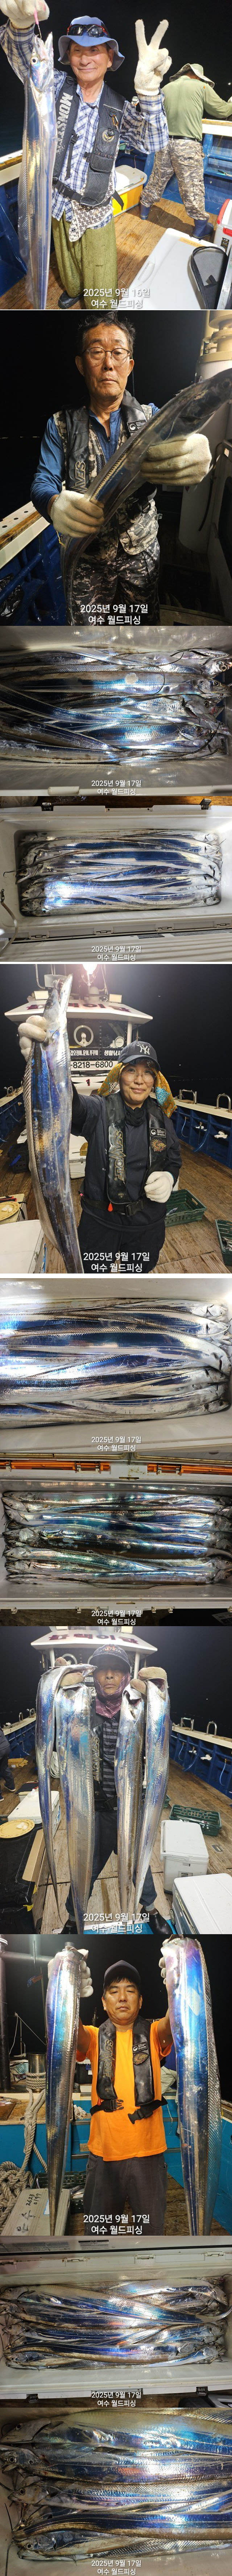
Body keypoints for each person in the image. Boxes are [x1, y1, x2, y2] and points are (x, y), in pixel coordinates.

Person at [29, 310, 212, 625]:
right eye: (96, 352)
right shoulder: (60, 425)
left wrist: (194, 454)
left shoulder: (154, 420)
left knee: (141, 628)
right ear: (81, 364)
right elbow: (43, 481)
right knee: (88, 635)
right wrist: (54, 503)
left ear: (130, 364)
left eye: (118, 352)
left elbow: (181, 446)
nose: (108, 364)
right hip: (86, 557)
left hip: (140, 553)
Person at [0, 6, 171, 309]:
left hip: (95, 209)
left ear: (110, 59)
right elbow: (27, 61)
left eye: (95, 51)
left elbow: (154, 142)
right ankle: (74, 289)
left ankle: (99, 309)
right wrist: (21, 26)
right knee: (67, 266)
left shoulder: (119, 108)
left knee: (101, 283)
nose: (85, 58)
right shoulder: (54, 87)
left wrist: (149, 93)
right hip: (56, 202)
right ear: (69, 58)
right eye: (77, 51)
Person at [66, 1639, 162, 1921]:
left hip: (129, 1810)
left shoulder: (139, 1709)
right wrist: (62, 1686)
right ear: (94, 1676)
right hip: (93, 1812)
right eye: (102, 1669)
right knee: (85, 1867)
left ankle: (151, 1910)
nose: (109, 1675)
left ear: (126, 1676)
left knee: (137, 1864)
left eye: (117, 1670)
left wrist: (159, 1693)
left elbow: (160, 1734)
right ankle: (73, 1918)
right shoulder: (81, 1709)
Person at [76, 1956, 172, 2233]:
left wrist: (177, 1987)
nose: (122, 1998)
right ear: (104, 2001)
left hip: (149, 2156)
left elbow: (175, 2022)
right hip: (103, 2155)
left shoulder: (154, 2034)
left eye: (130, 1991)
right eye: (114, 1991)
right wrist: (67, 1990)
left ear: (140, 2002)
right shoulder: (95, 2037)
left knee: (152, 2234)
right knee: (99, 2234)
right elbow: (69, 2031)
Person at [71, 1039, 182, 1271]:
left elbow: (174, 1159)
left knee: (136, 1277)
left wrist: (169, 1178)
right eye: (132, 1070)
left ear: (155, 1081)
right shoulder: (98, 1109)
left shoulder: (162, 1117)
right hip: (101, 1223)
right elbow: (73, 1106)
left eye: (148, 1073)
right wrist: (49, 1064)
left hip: (147, 1226)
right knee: (93, 1277)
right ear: (119, 1075)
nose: (140, 1080)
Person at [141, 57, 232, 237]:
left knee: (157, 180)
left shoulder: (167, 88)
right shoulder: (202, 87)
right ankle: (201, 226)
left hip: (164, 143)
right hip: (187, 145)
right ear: (198, 77)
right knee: (192, 187)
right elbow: (222, 111)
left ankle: (144, 210)